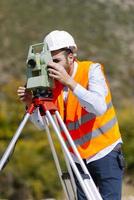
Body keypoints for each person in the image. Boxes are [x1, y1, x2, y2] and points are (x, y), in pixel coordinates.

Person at [17, 30, 125, 200]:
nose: (53, 66)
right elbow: (42, 124)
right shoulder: (51, 85)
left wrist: (70, 82)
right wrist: (30, 104)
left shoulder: (91, 70)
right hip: (77, 157)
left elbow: (98, 107)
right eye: (49, 62)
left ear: (71, 56)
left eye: (57, 61)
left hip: (105, 151)